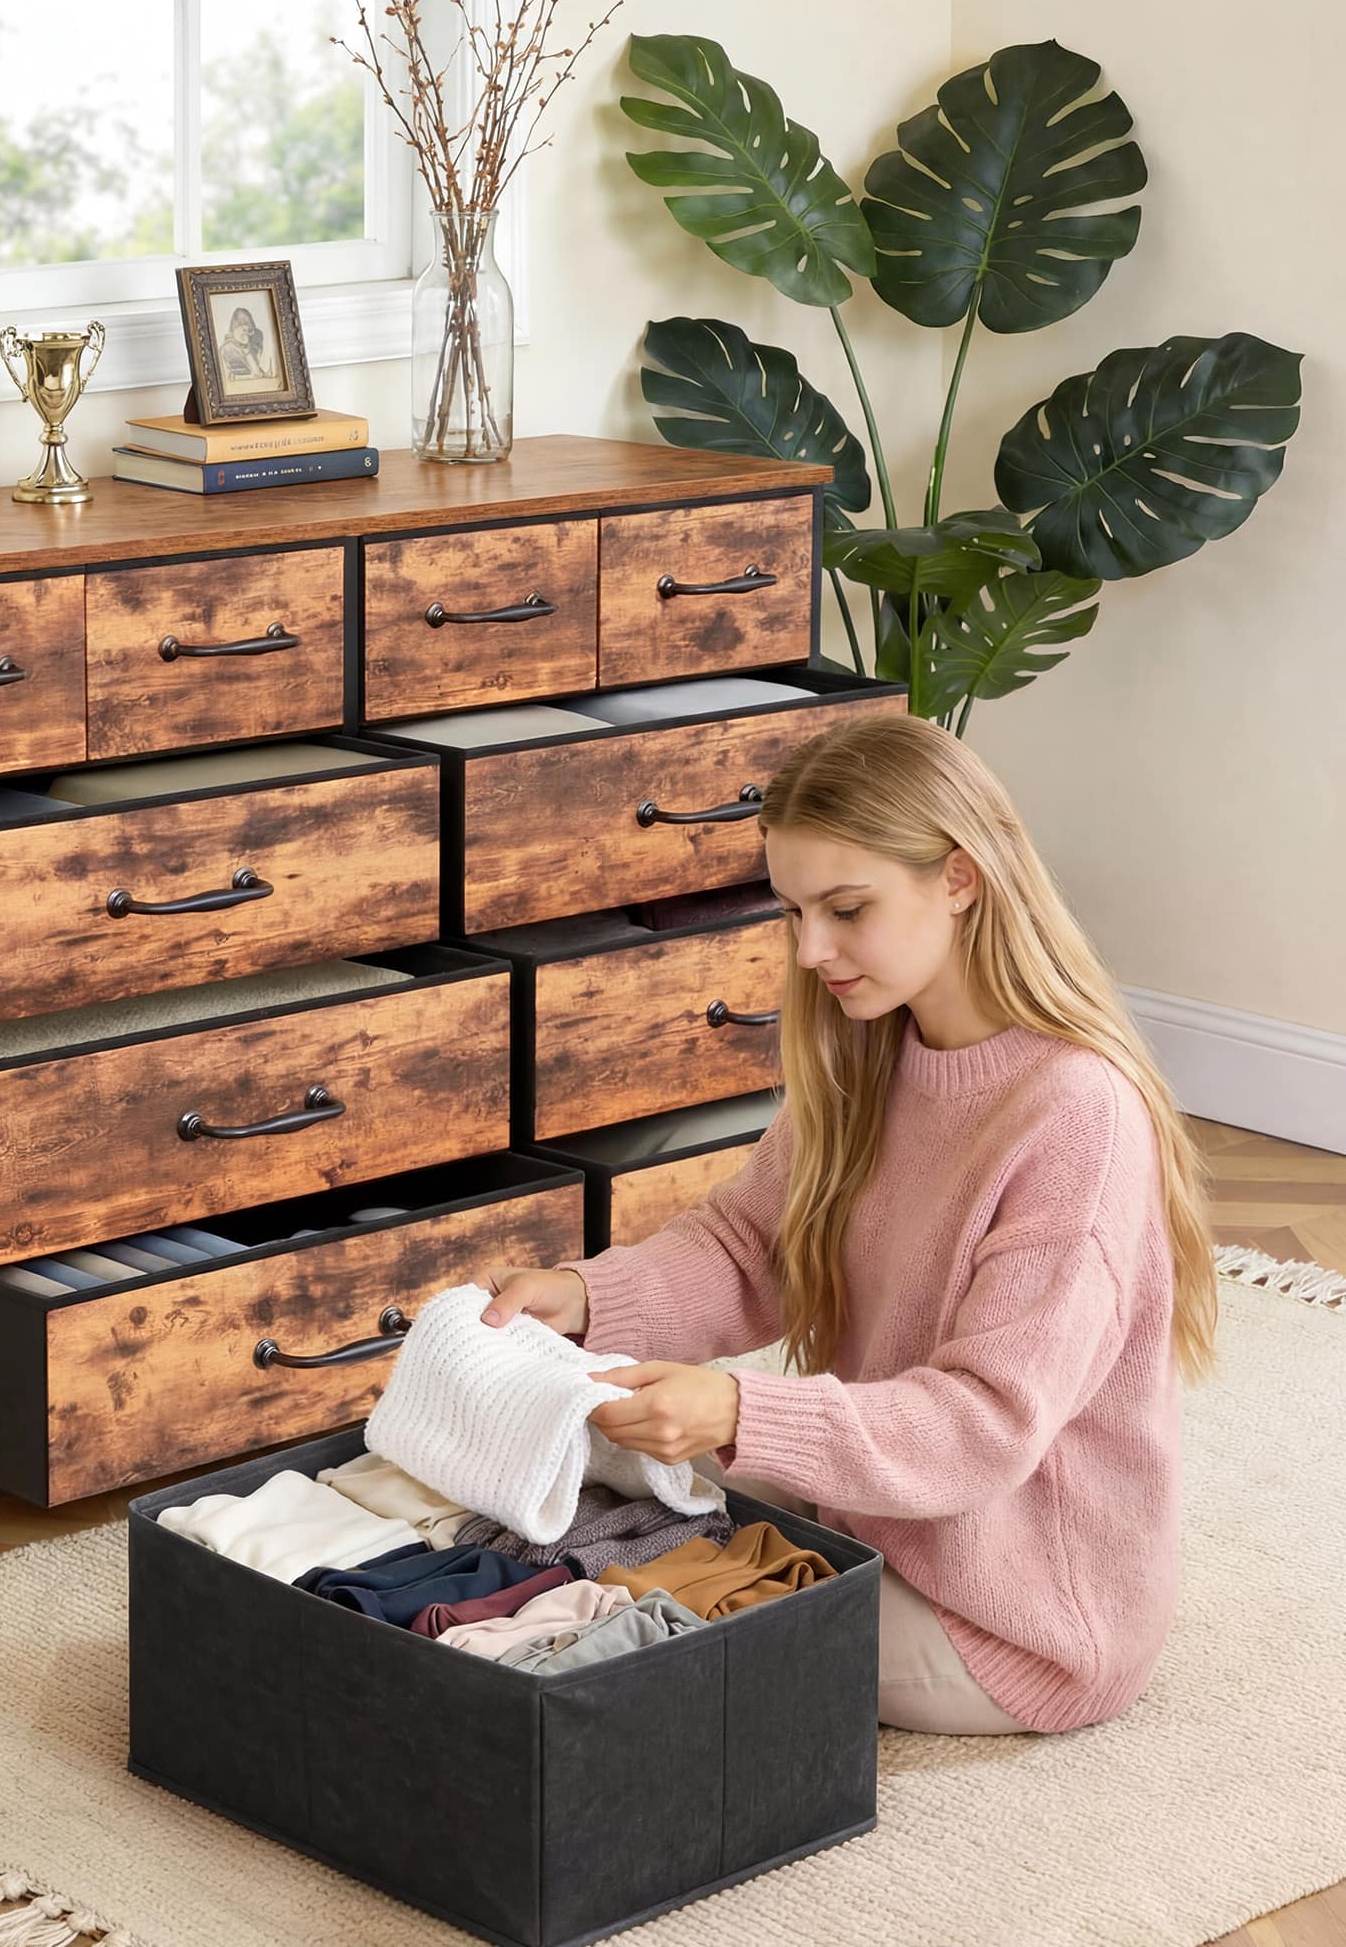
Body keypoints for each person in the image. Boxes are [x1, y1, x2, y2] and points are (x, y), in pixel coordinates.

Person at [477, 711, 1214, 1736]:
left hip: (1008, 1616)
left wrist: (738, 1412)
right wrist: (588, 1296)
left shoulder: (1074, 1117)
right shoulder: (873, 1051)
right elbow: (752, 1245)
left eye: (845, 907)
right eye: (791, 911)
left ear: (957, 876)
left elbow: (982, 1424)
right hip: (881, 1510)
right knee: (559, 1465)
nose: (811, 948)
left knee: (595, 1639)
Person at [218, 306, 273, 383]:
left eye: (249, 330)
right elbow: (257, 373)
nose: (246, 333)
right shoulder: (227, 348)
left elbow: (259, 372)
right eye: (243, 329)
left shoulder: (255, 340)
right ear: (234, 330)